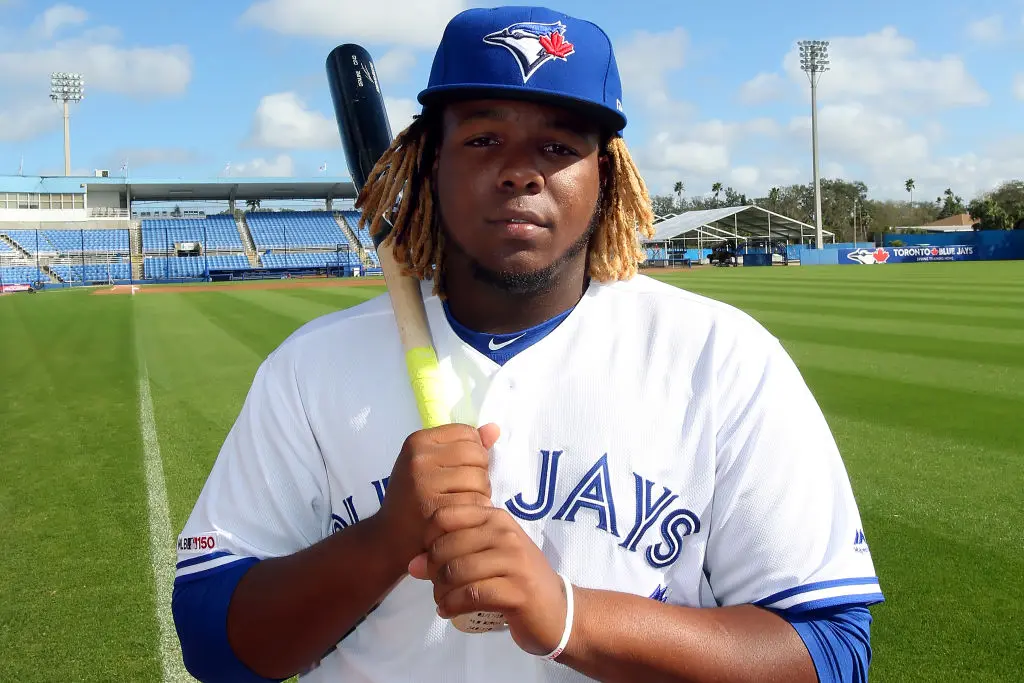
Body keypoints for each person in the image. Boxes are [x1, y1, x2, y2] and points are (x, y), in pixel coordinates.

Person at [172, 6, 884, 683]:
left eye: (558, 145)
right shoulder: (310, 367)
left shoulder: (719, 358)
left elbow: (830, 650)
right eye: (483, 139)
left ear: (606, 177)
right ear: (428, 165)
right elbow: (213, 641)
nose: (521, 170)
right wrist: (384, 538)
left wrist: (571, 616)